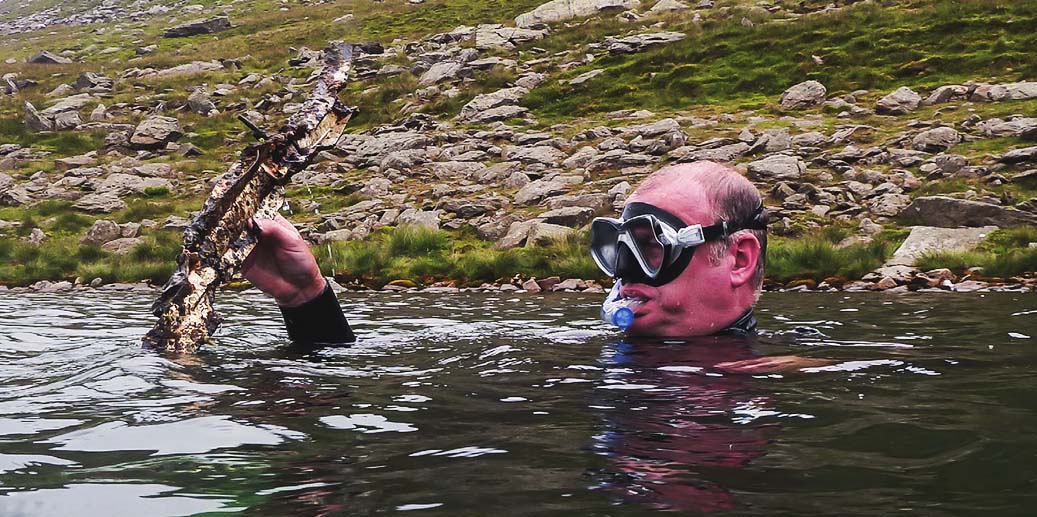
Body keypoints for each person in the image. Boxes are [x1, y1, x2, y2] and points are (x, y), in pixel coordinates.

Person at [243, 160, 825, 372]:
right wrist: (307, 299)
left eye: (650, 244)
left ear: (740, 259)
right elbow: (349, 382)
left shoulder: (778, 373)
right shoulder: (558, 351)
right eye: (616, 247)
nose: (624, 274)